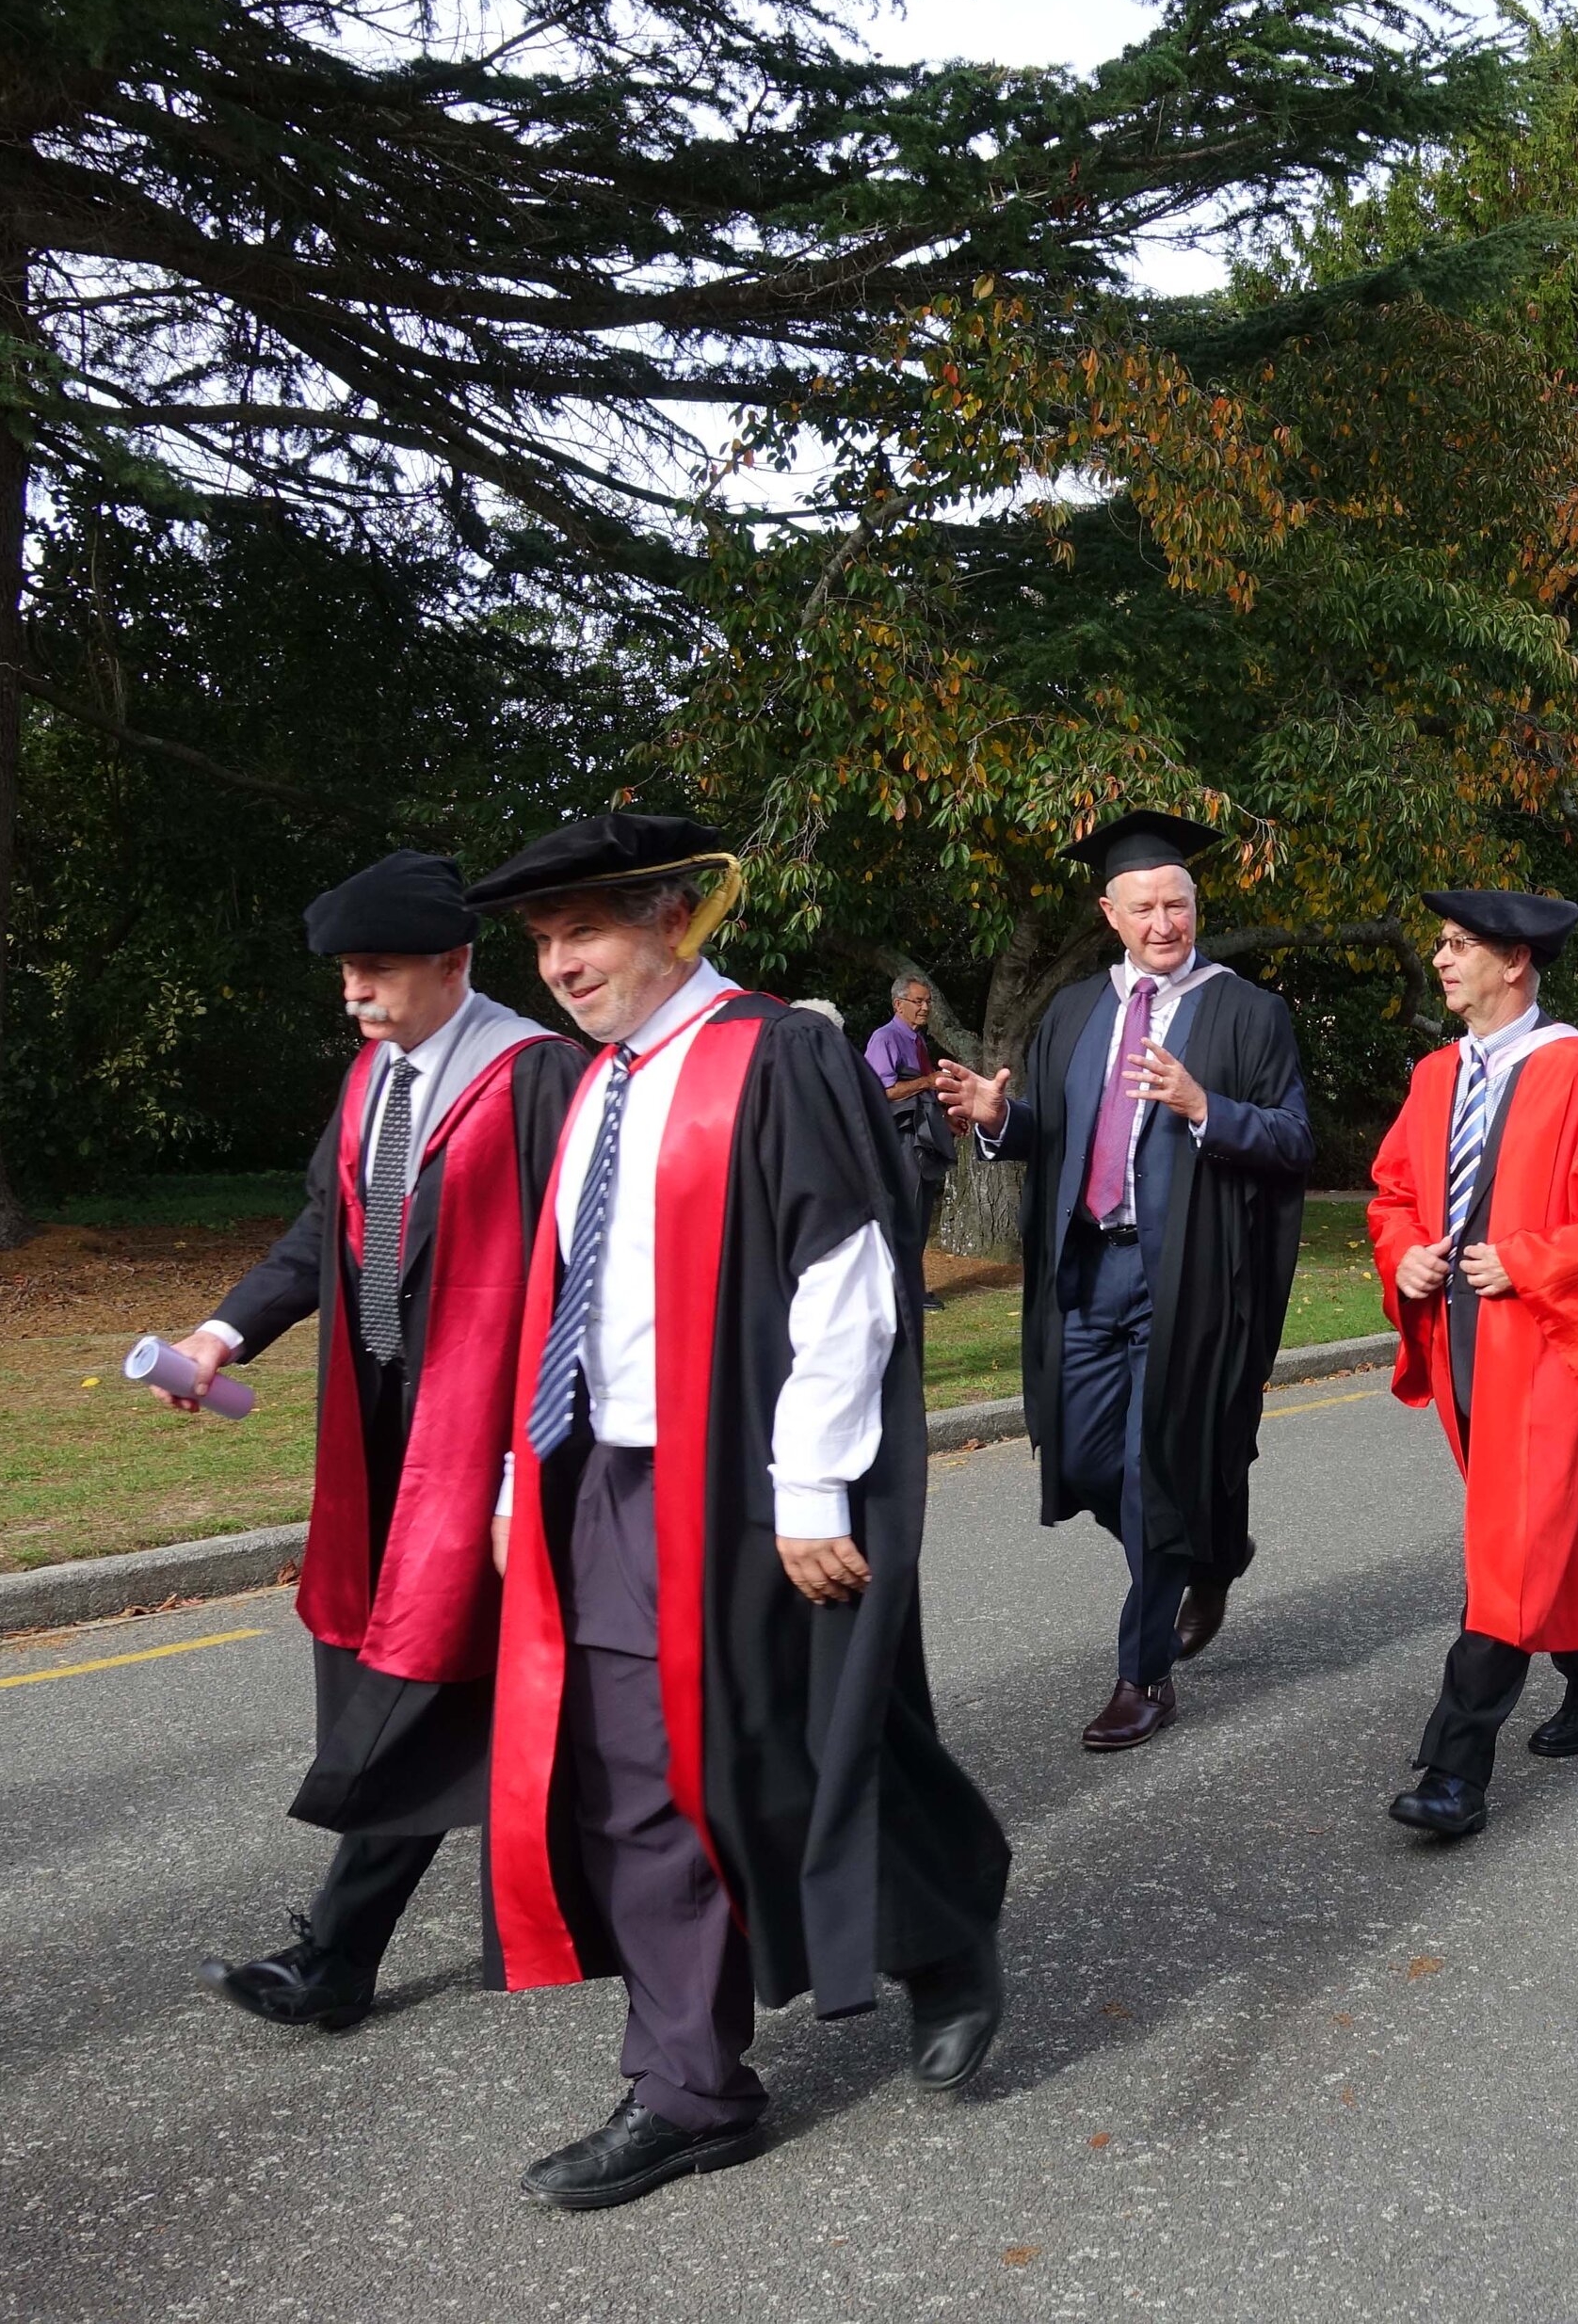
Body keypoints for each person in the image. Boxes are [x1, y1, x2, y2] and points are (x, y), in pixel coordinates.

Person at [473, 811, 1012, 2211]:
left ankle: (941, 1931)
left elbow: (845, 1273)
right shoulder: (585, 1087)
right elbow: (558, 1299)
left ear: (670, 918)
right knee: (634, 1778)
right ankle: (690, 2087)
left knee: (802, 1739)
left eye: (581, 930)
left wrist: (810, 1483)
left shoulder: (774, 1055)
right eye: (540, 943)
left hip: (746, 1478)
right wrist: (521, 1475)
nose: (559, 965)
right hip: (602, 1475)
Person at [173, 854, 584, 2034]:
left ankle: (347, 1951)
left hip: (499, 1424)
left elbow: (587, 1259)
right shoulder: (372, 1081)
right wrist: (221, 1333)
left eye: (378, 970)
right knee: (394, 1667)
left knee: (423, 1683)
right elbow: (323, 1229)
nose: (356, 991)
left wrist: (535, 1448)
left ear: (457, 963)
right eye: (349, 972)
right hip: (382, 1422)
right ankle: (347, 1952)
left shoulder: (538, 1075)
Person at [934, 812, 1312, 1753]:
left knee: (1150, 1469)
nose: (1163, 921)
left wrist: (1203, 1106)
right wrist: (1001, 1118)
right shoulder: (1076, 1011)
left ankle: (1142, 1674)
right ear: (1110, 911)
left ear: (1196, 904)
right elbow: (1060, 1136)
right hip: (1087, 1268)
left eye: (1177, 902)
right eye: (1142, 905)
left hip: (1188, 1277)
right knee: (1087, 1457)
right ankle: (1208, 1547)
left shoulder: (1248, 1012)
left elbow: (1294, 1138)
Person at [1368, 891, 1578, 1840]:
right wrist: (1406, 1250)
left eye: (1460, 945)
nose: (1442, 958)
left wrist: (1531, 1259)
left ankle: (1457, 1766)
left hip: (1549, 1335)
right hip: (1459, 1333)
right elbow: (1394, 1194)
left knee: (1510, 1536)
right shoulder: (1432, 1076)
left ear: (1515, 963)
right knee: (1546, 1522)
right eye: (1443, 944)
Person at [864, 975, 959, 1307]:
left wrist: (946, 1119)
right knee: (904, 1213)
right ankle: (899, 1292)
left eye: (928, 1001)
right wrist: (929, 1080)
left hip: (923, 1134)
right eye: (918, 1001)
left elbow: (925, 1092)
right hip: (900, 1138)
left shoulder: (917, 1041)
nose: (925, 1007)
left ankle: (909, 1287)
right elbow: (882, 1092)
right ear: (898, 1004)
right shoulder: (885, 1038)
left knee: (918, 1214)